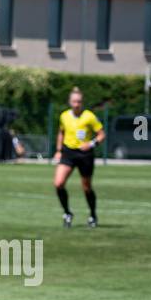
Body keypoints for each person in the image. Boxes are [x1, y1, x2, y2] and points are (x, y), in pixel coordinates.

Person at [53, 87, 103, 228]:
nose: (77, 104)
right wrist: (58, 150)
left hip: (84, 155)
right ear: (70, 102)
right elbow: (61, 132)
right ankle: (67, 213)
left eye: (79, 102)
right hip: (68, 153)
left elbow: (101, 134)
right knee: (58, 183)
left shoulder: (89, 116)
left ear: (82, 102)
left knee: (86, 188)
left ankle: (93, 215)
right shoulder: (64, 116)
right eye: (74, 101)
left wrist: (91, 144)